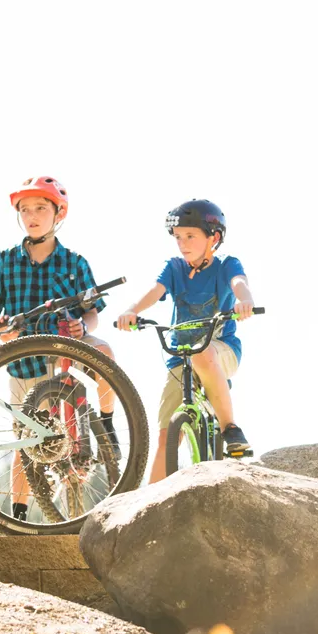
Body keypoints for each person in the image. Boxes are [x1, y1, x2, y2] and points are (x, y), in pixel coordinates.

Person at [0, 176, 118, 522]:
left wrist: (83, 326)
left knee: (106, 354)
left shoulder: (74, 262)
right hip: (24, 359)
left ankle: (107, 421)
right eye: (25, 210)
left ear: (59, 214)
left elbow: (93, 312)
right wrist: (0, 328)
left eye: (41, 208)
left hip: (68, 344)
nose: (32, 215)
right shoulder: (4, 261)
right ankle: (20, 513)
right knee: (24, 439)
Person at [117, 199, 255, 482]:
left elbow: (238, 282)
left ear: (213, 237)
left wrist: (245, 301)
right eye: (178, 237)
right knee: (168, 433)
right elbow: (155, 290)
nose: (182, 243)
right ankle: (147, 503)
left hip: (220, 350)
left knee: (202, 355)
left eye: (190, 236)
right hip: (180, 355)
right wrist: (133, 310)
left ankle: (230, 429)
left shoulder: (226, 265)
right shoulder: (175, 267)